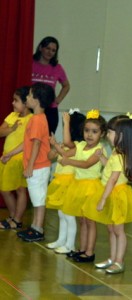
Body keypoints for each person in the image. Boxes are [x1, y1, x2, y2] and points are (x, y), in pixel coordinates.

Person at [82, 114, 132, 274]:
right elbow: (110, 169)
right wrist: (102, 158)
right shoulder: (116, 152)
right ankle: (112, 258)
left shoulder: (120, 155)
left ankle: (119, 261)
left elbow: (113, 180)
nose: (107, 136)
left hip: (116, 195)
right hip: (112, 193)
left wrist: (102, 199)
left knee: (118, 230)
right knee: (111, 228)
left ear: (120, 135)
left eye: (110, 133)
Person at [53, 109, 107, 262]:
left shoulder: (99, 150)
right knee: (82, 220)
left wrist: (68, 161)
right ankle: (81, 248)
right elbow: (66, 152)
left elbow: (86, 164)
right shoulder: (81, 145)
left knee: (90, 221)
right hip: (78, 186)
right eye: (87, 130)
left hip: (91, 188)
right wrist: (56, 147)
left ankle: (90, 252)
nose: (89, 134)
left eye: (94, 132)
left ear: (102, 134)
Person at [16, 83, 55, 242]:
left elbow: (37, 144)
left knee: (38, 199)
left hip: (38, 166)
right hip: (36, 166)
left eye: (30, 95)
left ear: (37, 100)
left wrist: (30, 166)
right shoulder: (36, 118)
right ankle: (34, 226)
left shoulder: (38, 120)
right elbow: (28, 143)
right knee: (36, 197)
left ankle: (38, 229)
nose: (27, 97)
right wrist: (10, 154)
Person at [45, 110, 85, 254]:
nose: (64, 128)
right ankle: (61, 240)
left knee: (69, 215)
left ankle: (70, 245)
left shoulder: (76, 146)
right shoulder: (65, 145)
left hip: (70, 183)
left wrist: (59, 145)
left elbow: (68, 147)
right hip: (60, 182)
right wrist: (55, 145)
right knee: (61, 214)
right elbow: (50, 156)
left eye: (66, 126)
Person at [0, 86, 32, 229]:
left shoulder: (31, 119)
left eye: (16, 100)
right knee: (4, 189)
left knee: (19, 189)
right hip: (6, 157)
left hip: (19, 159)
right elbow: (0, 132)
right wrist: (11, 129)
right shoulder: (12, 116)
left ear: (26, 103)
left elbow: (28, 142)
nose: (13, 103)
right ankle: (13, 217)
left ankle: (17, 219)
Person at [32, 36, 70, 134]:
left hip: (50, 110)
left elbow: (66, 86)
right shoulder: (30, 63)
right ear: (41, 48)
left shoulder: (57, 68)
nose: (50, 52)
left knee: (48, 139)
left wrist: (57, 100)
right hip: (31, 107)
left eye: (53, 50)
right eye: (48, 48)